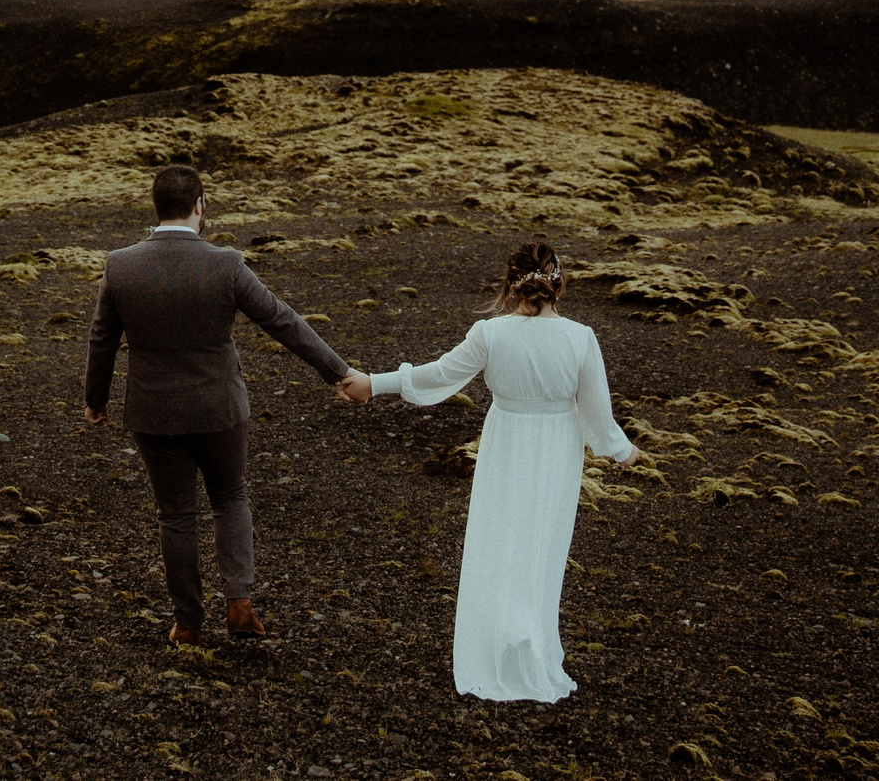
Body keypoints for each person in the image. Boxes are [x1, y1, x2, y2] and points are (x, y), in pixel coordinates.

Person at [85, 164, 369, 645]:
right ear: (200, 205)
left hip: (154, 412)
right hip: (219, 407)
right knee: (230, 497)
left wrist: (96, 400)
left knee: (174, 514)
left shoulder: (121, 264)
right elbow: (283, 322)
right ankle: (239, 605)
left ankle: (188, 624)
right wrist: (338, 371)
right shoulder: (226, 263)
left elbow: (101, 341)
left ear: (156, 207)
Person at [344, 239, 637, 701]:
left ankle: (502, 640)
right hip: (557, 448)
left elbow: (437, 374)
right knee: (541, 544)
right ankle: (531, 643)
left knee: (501, 539)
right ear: (560, 283)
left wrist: (373, 384)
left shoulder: (491, 333)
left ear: (509, 284)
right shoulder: (580, 338)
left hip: (507, 443)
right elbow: (596, 413)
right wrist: (620, 450)